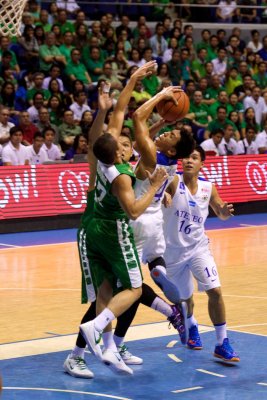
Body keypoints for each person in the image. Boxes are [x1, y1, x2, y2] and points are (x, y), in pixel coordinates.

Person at [63, 91, 186, 378]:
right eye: (121, 143)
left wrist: (151, 124)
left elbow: (128, 134)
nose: (124, 144)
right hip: (109, 231)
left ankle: (112, 346)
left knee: (117, 293)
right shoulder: (121, 172)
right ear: (119, 151)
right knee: (122, 293)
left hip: (117, 232)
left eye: (128, 143)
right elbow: (117, 137)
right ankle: (80, 353)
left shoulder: (119, 165)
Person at [162, 146, 240, 362]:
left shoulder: (208, 187)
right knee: (185, 299)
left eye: (194, 158)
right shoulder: (173, 181)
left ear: (202, 164)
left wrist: (224, 212)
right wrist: (165, 196)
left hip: (198, 248)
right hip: (172, 252)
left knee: (214, 290)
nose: (189, 160)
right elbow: (161, 191)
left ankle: (221, 342)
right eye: (186, 156)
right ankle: (192, 325)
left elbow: (221, 212)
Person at [131, 87, 195, 307]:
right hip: (156, 218)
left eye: (171, 136)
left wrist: (160, 95)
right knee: (155, 259)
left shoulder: (150, 156)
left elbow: (137, 118)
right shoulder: (171, 164)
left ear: (171, 151)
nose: (167, 133)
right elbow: (143, 141)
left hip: (135, 216)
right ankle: (159, 272)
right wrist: (162, 123)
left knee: (127, 281)